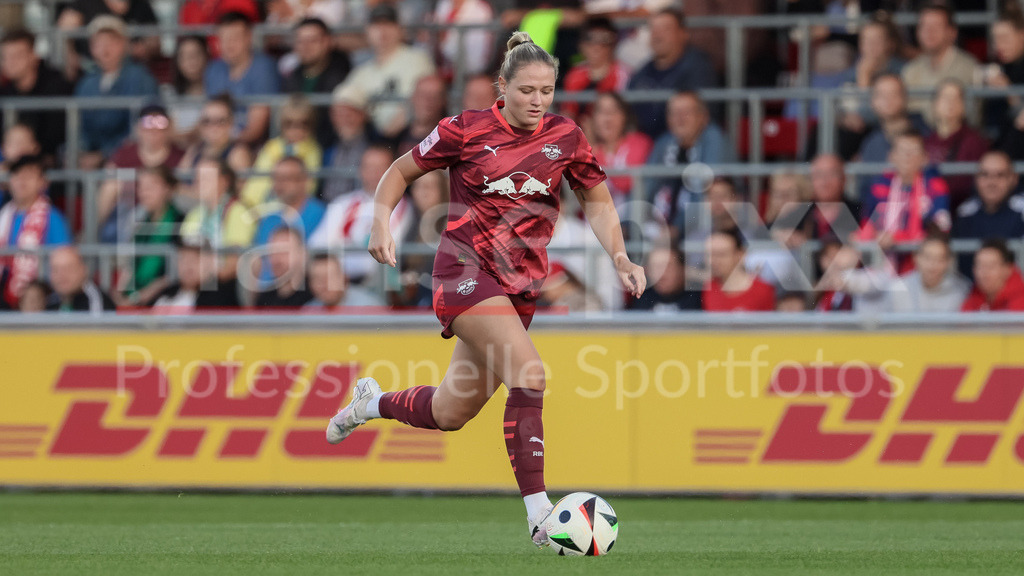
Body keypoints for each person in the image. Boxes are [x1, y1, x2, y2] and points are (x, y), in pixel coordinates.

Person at [324, 32, 645, 549]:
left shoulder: (565, 137)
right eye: (527, 90)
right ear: (502, 87)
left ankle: (371, 403)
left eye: (547, 90)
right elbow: (399, 170)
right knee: (531, 373)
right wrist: (381, 222)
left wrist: (621, 256)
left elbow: (599, 201)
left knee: (452, 411)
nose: (538, 101)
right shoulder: (465, 129)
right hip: (464, 271)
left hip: (519, 289)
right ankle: (541, 517)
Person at [309, 145, 412, 286]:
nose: (374, 173)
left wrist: (340, 258)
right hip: (336, 282)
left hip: (373, 285)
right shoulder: (342, 202)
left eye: (381, 167)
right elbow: (317, 245)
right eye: (368, 167)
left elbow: (381, 258)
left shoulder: (402, 205)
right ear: (360, 170)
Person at [337, 4, 436, 138]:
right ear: (367, 31)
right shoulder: (362, 71)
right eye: (376, 25)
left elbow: (422, 103)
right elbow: (342, 102)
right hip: (372, 139)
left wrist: (388, 134)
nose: (382, 31)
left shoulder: (417, 59)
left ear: (399, 29)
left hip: (410, 136)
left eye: (388, 24)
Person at [74, 15, 159, 168]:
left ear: (124, 44)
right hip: (91, 160)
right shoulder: (86, 83)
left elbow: (143, 125)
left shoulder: (141, 78)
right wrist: (85, 152)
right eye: (99, 43)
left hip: (131, 160)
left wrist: (105, 154)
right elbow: (81, 128)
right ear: (91, 47)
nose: (105, 49)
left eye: (112, 41)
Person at [646, 92, 735, 238]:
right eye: (674, 113)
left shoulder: (714, 140)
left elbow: (703, 190)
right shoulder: (664, 142)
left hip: (705, 227)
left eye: (686, 112)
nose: (680, 119)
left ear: (703, 117)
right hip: (662, 225)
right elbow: (645, 185)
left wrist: (677, 228)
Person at [627, 8, 717, 138]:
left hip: (684, 143)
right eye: (653, 29)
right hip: (648, 146)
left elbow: (704, 118)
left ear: (683, 34)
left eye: (666, 29)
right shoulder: (643, 72)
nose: (657, 36)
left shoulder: (697, 67)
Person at [98, 104, 184, 239]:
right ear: (138, 128)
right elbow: (108, 188)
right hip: (129, 213)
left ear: (169, 128)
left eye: (161, 123)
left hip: (167, 214)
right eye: (148, 123)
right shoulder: (124, 154)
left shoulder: (180, 156)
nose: (154, 129)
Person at [858, 131, 951, 254]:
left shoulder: (935, 186)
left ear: (925, 158)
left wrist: (897, 238)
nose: (907, 156)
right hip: (882, 260)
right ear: (891, 156)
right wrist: (864, 235)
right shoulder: (880, 184)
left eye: (913, 151)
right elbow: (867, 222)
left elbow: (942, 228)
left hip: (921, 260)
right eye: (902, 151)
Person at [0, 155, 72, 308]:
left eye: (29, 176)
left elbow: (64, 264)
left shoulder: (53, 218)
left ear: (43, 182)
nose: (22, 181)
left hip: (42, 300)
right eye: (17, 175)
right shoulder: (4, 216)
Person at [203, 12, 280, 146]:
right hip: (218, 144)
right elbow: (207, 118)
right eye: (223, 39)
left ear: (249, 37)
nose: (228, 45)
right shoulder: (213, 69)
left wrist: (221, 143)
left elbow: (255, 130)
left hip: (253, 148)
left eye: (235, 38)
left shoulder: (263, 68)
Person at [0, 29, 74, 164]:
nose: (10, 62)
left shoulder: (57, 87)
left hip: (49, 165)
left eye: (17, 56)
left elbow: (58, 138)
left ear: (33, 56)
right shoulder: (4, 92)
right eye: (5, 57)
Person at [180, 159, 256, 282]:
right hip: (193, 282)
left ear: (224, 181)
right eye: (197, 178)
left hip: (221, 284)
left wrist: (204, 280)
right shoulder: (194, 214)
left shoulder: (238, 211)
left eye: (206, 178)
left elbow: (233, 264)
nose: (198, 183)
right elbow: (184, 256)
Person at [241, 94, 322, 207]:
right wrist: (253, 208)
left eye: (303, 123)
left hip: (295, 207)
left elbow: (309, 188)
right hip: (264, 206)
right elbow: (256, 185)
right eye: (289, 123)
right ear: (281, 124)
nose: (296, 129)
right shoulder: (272, 147)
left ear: (311, 124)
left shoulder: (313, 150)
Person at [901, 4, 979, 120]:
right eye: (924, 26)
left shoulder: (970, 68)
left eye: (936, 26)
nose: (929, 32)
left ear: (952, 32)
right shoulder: (910, 70)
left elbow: (973, 117)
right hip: (918, 134)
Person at [283, 18, 351, 150]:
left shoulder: (341, 78)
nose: (306, 46)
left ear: (327, 42)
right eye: (300, 41)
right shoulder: (291, 77)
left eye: (312, 40)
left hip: (330, 149)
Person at [118, 165, 182, 304]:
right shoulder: (140, 225)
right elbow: (129, 267)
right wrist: (120, 295)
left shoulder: (182, 222)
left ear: (167, 188)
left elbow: (177, 272)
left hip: (165, 297)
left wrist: (141, 296)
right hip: (135, 297)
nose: (144, 192)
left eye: (151, 187)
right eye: (141, 187)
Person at [953, 150, 1024, 276]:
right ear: (976, 179)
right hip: (974, 291)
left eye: (1000, 175)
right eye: (985, 175)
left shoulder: (1021, 211)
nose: (991, 182)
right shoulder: (965, 213)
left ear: (1013, 179)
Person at [924, 80, 988, 209]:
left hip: (959, 208)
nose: (950, 103)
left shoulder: (974, 141)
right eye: (945, 98)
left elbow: (968, 184)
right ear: (935, 104)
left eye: (956, 98)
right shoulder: (926, 140)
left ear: (964, 106)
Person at [588, 92, 653, 210]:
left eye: (613, 111)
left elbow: (626, 183)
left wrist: (598, 156)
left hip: (633, 219)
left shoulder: (639, 142)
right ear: (594, 118)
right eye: (601, 111)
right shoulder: (588, 152)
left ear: (624, 116)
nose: (607, 117)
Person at [561, 17, 630, 124]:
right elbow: (568, 112)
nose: (596, 46)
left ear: (613, 44)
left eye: (604, 39)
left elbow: (621, 116)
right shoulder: (574, 74)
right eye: (589, 39)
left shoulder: (623, 74)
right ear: (581, 45)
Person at [179, 94, 253, 183]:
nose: (213, 127)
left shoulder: (238, 153)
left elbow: (239, 191)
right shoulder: (194, 151)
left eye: (220, 121)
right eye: (207, 121)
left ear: (231, 123)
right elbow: (179, 182)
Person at [151, 241, 239, 310]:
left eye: (195, 259)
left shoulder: (220, 298)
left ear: (209, 263)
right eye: (183, 259)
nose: (188, 266)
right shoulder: (165, 293)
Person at [702, 228, 775, 312]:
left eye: (721, 255)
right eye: (709, 255)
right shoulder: (708, 288)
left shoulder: (763, 290)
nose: (712, 261)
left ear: (740, 254)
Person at [322, 84, 372, 202]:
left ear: (363, 114)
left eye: (350, 113)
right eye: (339, 113)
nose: (344, 119)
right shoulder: (327, 146)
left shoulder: (372, 147)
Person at [988, 7, 1024, 160]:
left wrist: (1009, 92)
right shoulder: (1000, 69)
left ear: (1022, 35)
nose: (999, 45)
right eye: (995, 39)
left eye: (1004, 37)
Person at [164, 36, 209, 146]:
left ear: (206, 57)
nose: (191, 61)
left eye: (196, 54)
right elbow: (167, 132)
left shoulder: (217, 92)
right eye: (184, 56)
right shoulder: (168, 92)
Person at [432, 0, 495, 79]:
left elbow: (478, 54)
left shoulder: (480, 7)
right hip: (442, 66)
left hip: (472, 71)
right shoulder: (443, 3)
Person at [254, 226, 314, 308]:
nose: (277, 259)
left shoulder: (315, 295)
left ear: (302, 254)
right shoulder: (265, 298)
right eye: (272, 252)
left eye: (284, 252)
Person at [44, 246, 116, 313]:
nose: (61, 275)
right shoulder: (49, 302)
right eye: (55, 270)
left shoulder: (97, 303)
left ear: (84, 270)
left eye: (68, 269)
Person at [630, 245, 702, 311]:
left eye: (668, 266)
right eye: (656, 267)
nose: (661, 273)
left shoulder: (699, 297)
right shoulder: (640, 296)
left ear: (682, 269)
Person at [961, 238, 1024, 311]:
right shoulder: (974, 295)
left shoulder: (1021, 301)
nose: (984, 272)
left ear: (1008, 269)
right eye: (980, 266)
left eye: (991, 266)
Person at [304, 253, 382, 309]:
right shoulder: (308, 311)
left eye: (330, 277)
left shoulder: (369, 307)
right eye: (318, 279)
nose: (324, 284)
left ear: (345, 278)